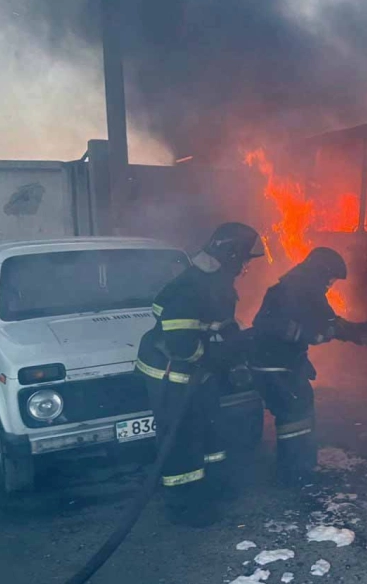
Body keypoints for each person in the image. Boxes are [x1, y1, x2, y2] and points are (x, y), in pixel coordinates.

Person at [135, 222, 263, 526]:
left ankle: (211, 486)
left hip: (199, 376)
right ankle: (183, 504)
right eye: (244, 259)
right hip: (172, 374)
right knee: (182, 436)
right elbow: (182, 344)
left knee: (209, 428)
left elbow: (219, 323)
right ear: (231, 256)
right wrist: (212, 358)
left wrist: (237, 342)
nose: (246, 267)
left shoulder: (216, 282)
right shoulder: (189, 288)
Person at [250, 247, 367, 483]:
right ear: (321, 271)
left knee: (295, 413)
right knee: (295, 416)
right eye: (331, 278)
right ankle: (294, 473)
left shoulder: (291, 286)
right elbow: (321, 325)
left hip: (274, 362)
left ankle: (295, 467)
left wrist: (357, 331)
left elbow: (327, 323)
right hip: (277, 366)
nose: (331, 284)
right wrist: (351, 332)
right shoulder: (304, 290)